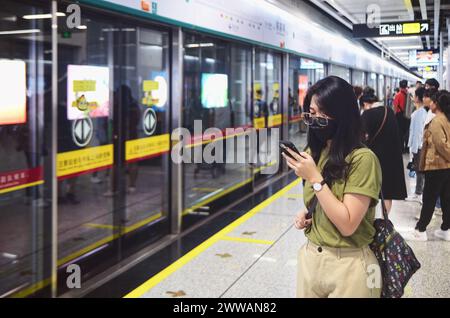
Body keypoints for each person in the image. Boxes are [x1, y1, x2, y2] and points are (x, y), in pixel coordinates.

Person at [283, 76, 382, 298]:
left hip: (349, 265)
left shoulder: (363, 159)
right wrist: (309, 214)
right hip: (311, 259)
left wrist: (316, 180)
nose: (315, 118)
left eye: (323, 113)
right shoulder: (315, 153)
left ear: (342, 115)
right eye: (311, 111)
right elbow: (325, 202)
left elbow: (347, 225)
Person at [404, 90, 450, 241]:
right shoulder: (446, 119)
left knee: (429, 198)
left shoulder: (437, 121)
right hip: (446, 167)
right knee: (446, 198)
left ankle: (420, 230)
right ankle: (446, 228)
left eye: (433, 101)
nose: (430, 103)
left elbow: (441, 145)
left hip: (436, 166)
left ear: (437, 104)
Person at [360, 89, 407, 213]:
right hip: (391, 157)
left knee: (368, 189)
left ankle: (368, 219)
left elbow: (361, 137)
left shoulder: (367, 115)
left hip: (373, 158)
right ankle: (384, 221)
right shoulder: (388, 111)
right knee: (387, 191)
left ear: (365, 104)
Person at [406, 87, 428, 203]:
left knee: (419, 170)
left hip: (418, 146)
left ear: (418, 98)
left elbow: (418, 133)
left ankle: (418, 193)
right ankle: (418, 192)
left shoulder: (419, 114)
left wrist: (413, 148)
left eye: (414, 95)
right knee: (419, 170)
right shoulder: (420, 112)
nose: (413, 97)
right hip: (418, 146)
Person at [393, 80, 409, 153]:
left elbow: (395, 107)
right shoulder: (408, 94)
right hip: (407, 115)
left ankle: (401, 149)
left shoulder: (398, 95)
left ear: (399, 86)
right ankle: (407, 147)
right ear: (406, 86)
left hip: (399, 116)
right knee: (406, 132)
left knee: (400, 133)